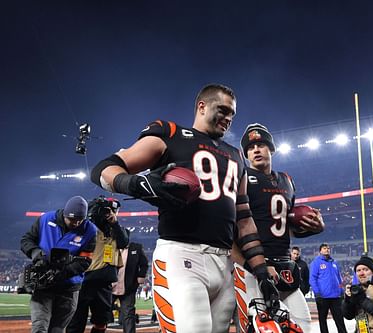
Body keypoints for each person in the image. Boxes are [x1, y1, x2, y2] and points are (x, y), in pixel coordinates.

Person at [90, 84, 278, 333]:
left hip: (223, 263)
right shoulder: (171, 134)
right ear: (202, 106)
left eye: (232, 113)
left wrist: (262, 270)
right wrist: (137, 184)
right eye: (222, 110)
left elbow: (243, 218)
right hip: (182, 254)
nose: (228, 118)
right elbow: (104, 168)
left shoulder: (235, 156)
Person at [232, 123, 324, 333]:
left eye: (261, 145)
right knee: (261, 327)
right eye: (251, 147)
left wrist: (315, 226)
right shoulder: (241, 176)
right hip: (253, 267)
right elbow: (231, 228)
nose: (256, 149)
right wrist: (257, 266)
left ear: (271, 149)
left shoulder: (287, 180)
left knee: (303, 326)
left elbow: (286, 226)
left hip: (285, 264)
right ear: (246, 154)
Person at [20, 196, 97, 333]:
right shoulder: (45, 219)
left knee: (57, 329)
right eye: (72, 220)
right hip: (43, 284)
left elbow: (84, 261)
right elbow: (27, 240)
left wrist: (61, 273)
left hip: (69, 286)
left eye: (80, 220)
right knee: (39, 327)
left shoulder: (90, 230)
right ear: (64, 214)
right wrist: (36, 253)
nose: (76, 223)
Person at [67, 196, 129, 333]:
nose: (110, 214)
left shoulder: (117, 229)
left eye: (112, 211)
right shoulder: (86, 227)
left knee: (101, 323)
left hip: (103, 283)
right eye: (107, 211)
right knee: (75, 324)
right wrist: (94, 215)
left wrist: (114, 222)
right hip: (82, 280)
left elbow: (124, 242)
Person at [112, 232, 149, 333]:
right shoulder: (109, 247)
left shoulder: (136, 248)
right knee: (102, 313)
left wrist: (141, 276)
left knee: (128, 314)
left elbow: (144, 264)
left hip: (128, 287)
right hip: (110, 287)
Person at [310, 243, 348, 333]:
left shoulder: (334, 262)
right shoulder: (316, 263)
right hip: (322, 297)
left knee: (339, 318)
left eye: (328, 248)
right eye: (324, 248)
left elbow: (339, 278)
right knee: (323, 320)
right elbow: (312, 279)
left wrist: (341, 290)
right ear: (320, 251)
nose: (327, 249)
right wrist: (317, 293)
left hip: (335, 297)